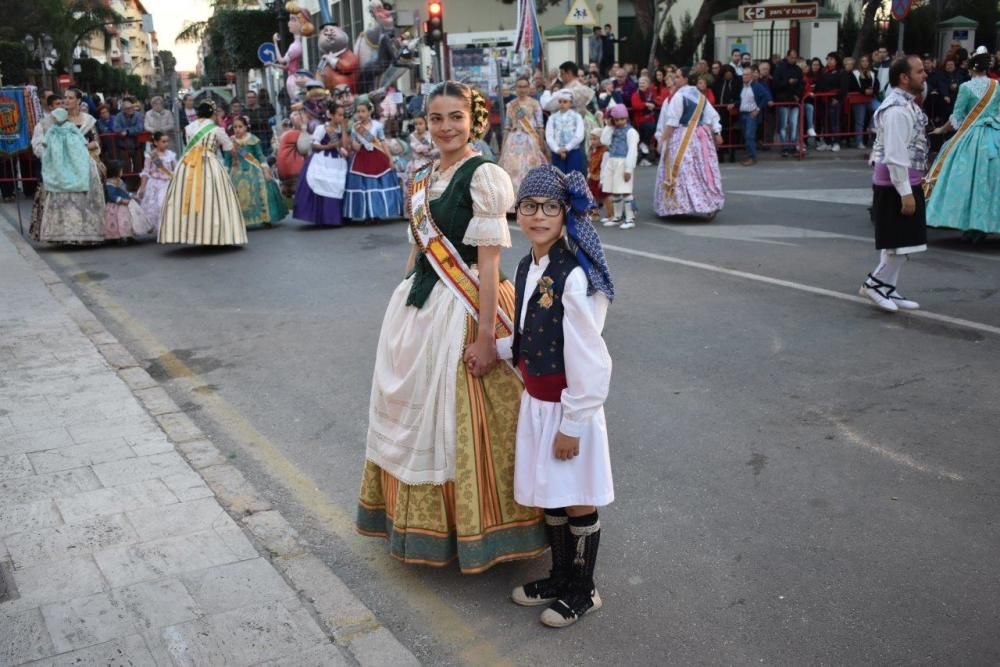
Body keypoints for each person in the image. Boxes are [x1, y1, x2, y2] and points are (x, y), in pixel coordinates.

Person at [356, 81, 546, 572]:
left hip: (466, 310)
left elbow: (488, 263)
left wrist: (486, 337)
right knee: (414, 413)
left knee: (459, 420)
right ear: (425, 122)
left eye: (455, 117)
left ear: (473, 120)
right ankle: (422, 526)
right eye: (436, 118)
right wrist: (402, 307)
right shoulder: (422, 176)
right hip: (420, 311)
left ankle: (487, 530)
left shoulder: (484, 176)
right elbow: (419, 250)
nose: (445, 127)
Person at [502, 164, 615, 628]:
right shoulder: (529, 263)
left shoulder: (574, 276)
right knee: (551, 493)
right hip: (538, 403)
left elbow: (592, 359)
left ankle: (583, 589)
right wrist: (498, 349)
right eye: (529, 206)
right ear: (518, 213)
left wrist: (573, 424)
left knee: (577, 498)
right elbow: (528, 329)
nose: (539, 216)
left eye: (550, 207)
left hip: (570, 407)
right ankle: (559, 576)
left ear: (566, 213)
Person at [859, 55, 928, 312]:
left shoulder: (906, 105)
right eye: (920, 71)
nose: (924, 75)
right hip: (896, 185)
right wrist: (905, 193)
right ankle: (874, 284)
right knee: (901, 242)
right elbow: (896, 154)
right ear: (904, 77)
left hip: (906, 181)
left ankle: (888, 287)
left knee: (902, 241)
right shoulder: (897, 109)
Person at [925, 47, 1000, 243]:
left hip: (972, 136)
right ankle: (987, 223)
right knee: (991, 182)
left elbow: (957, 118)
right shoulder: (997, 86)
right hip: (995, 136)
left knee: (965, 179)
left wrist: (942, 129)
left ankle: (969, 224)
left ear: (971, 66)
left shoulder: (966, 88)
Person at [158, 101, 247, 246]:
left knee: (189, 196)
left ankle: (190, 233)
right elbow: (229, 149)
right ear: (212, 113)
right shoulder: (217, 130)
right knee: (213, 198)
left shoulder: (188, 128)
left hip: (187, 164)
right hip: (209, 163)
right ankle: (215, 234)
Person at [30, 91, 106, 245]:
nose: (66, 100)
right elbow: (41, 141)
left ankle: (87, 235)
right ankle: (63, 235)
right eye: (65, 97)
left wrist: (83, 148)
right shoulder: (55, 119)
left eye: (70, 98)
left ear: (79, 101)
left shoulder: (88, 121)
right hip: (61, 163)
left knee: (93, 178)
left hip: (85, 161)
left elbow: (96, 141)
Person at [655, 76, 725, 219]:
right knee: (702, 170)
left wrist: (661, 140)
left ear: (685, 79)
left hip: (681, 136)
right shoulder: (700, 97)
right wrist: (716, 131)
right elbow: (712, 116)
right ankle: (708, 202)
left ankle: (678, 205)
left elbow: (672, 122)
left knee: (680, 170)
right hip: (699, 138)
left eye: (678, 76)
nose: (675, 79)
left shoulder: (679, 96)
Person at [343, 96, 403, 222]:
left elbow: (383, 143)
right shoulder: (355, 127)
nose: (360, 114)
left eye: (363, 111)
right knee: (364, 186)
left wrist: (390, 158)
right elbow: (355, 146)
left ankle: (376, 213)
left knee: (378, 185)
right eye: (358, 111)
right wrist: (354, 144)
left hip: (377, 157)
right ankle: (367, 213)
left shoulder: (377, 126)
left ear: (370, 111)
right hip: (362, 158)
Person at [226, 115, 288, 228]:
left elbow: (259, 155)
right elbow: (227, 159)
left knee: (263, 185)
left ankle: (265, 217)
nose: (237, 129)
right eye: (235, 127)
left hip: (253, 168)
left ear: (246, 127)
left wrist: (265, 168)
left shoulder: (252, 139)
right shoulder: (230, 141)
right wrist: (225, 171)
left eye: (240, 126)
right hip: (236, 170)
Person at [294, 102, 350, 226]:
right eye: (339, 115)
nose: (341, 118)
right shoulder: (322, 128)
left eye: (343, 115)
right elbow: (314, 144)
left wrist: (345, 130)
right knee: (323, 185)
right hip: (323, 159)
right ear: (331, 115)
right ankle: (324, 217)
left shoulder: (341, 129)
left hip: (337, 161)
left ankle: (335, 217)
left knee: (337, 187)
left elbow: (344, 146)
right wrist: (327, 146)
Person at [499, 77, 549, 197]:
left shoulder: (534, 103)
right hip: (513, 140)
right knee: (513, 169)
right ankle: (512, 200)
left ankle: (530, 197)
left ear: (528, 88)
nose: (522, 89)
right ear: (515, 88)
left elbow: (540, 126)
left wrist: (541, 142)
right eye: (519, 87)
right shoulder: (511, 105)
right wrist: (503, 145)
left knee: (529, 168)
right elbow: (507, 126)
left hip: (530, 140)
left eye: (524, 86)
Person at [599, 104, 639, 229]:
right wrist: (609, 125)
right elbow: (604, 140)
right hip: (612, 161)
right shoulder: (613, 129)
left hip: (623, 162)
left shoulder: (631, 132)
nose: (620, 122)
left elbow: (632, 150)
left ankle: (630, 218)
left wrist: (628, 169)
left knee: (625, 190)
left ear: (626, 118)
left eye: (622, 119)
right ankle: (617, 216)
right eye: (616, 119)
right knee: (615, 191)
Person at [136, 131, 177, 234]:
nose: (166, 144)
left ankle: (169, 229)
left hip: (168, 183)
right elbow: (145, 172)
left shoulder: (171, 155)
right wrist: (142, 188)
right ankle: (161, 229)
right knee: (157, 206)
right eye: (163, 141)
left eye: (167, 141)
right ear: (156, 142)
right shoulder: (151, 156)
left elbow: (175, 170)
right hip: (155, 184)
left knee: (167, 206)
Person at [103, 159, 151, 242]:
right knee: (119, 220)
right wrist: (121, 200)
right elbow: (111, 195)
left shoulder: (120, 181)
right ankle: (118, 237)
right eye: (120, 170)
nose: (122, 172)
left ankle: (129, 235)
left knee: (129, 219)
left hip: (126, 203)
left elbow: (124, 191)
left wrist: (132, 196)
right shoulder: (110, 183)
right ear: (115, 171)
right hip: (116, 206)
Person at [546, 90, 586, 178]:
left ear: (570, 103)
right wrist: (557, 149)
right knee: (558, 178)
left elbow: (579, 135)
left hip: (573, 151)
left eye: (565, 102)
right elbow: (549, 136)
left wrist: (567, 148)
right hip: (557, 152)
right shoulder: (552, 118)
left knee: (573, 177)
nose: (562, 104)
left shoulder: (577, 117)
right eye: (560, 101)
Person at [738, 67, 773, 166]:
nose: (744, 76)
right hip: (743, 114)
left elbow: (766, 96)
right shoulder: (743, 87)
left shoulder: (756, 86)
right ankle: (750, 155)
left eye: (747, 74)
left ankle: (752, 157)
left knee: (749, 136)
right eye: (743, 75)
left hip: (751, 115)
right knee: (747, 136)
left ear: (751, 76)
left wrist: (758, 109)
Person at [773, 49, 804, 157]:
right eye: (791, 57)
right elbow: (776, 84)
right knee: (784, 125)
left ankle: (793, 145)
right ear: (787, 56)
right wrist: (788, 82)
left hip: (794, 101)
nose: (793, 59)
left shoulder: (798, 70)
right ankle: (785, 146)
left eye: (795, 57)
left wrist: (797, 95)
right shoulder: (779, 68)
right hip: (783, 101)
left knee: (794, 124)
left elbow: (801, 84)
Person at [112, 97, 145, 177]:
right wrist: (128, 131)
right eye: (127, 108)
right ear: (123, 109)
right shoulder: (118, 116)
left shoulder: (138, 115)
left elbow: (140, 128)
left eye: (131, 107)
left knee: (138, 167)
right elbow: (116, 128)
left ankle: (138, 185)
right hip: (123, 146)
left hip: (136, 145)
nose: (130, 109)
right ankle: (128, 184)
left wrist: (127, 131)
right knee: (126, 168)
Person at [630, 76, 659, 164]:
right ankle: (644, 144)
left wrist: (653, 104)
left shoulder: (651, 93)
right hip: (640, 120)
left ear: (648, 84)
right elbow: (636, 105)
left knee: (655, 127)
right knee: (650, 127)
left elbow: (656, 101)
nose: (641, 85)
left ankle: (644, 147)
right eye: (640, 83)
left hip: (650, 117)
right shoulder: (636, 94)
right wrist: (646, 104)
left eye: (643, 83)